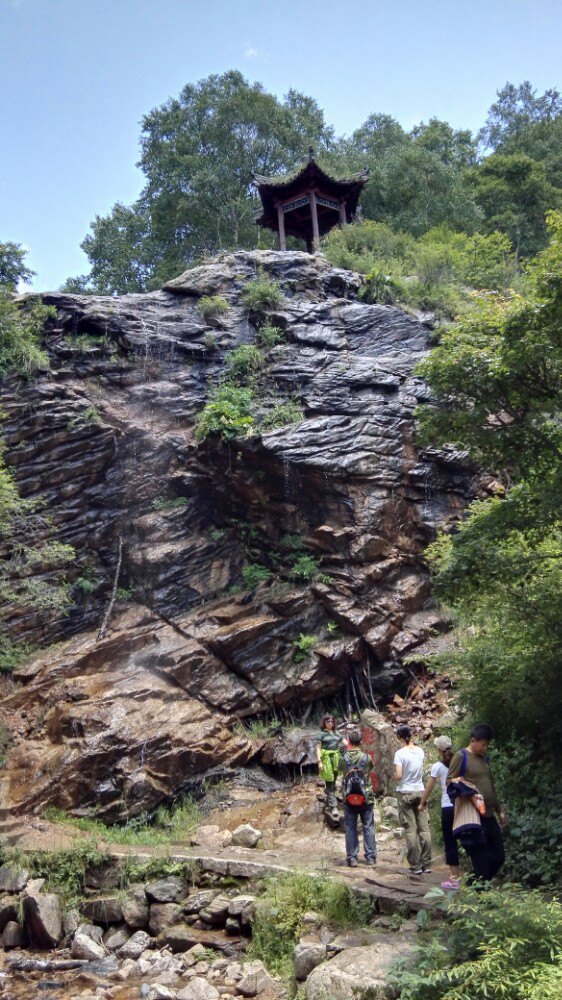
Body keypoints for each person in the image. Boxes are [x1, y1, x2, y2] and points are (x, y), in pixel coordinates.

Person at [446, 723, 507, 884]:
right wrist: (465, 788)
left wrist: (499, 811)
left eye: (487, 744)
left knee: (499, 856)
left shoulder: (484, 760)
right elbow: (449, 782)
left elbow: (491, 786)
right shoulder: (461, 756)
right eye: (483, 744)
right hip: (474, 817)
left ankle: (473, 883)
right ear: (473, 740)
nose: (486, 747)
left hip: (489, 815)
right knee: (481, 859)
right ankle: (483, 897)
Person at [419, 735, 461, 890]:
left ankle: (455, 878)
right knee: (467, 839)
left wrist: (422, 803)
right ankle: (477, 875)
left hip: (447, 807)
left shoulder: (437, 766)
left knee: (450, 841)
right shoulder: (459, 761)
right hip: (461, 805)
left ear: (439, 750)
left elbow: (429, 788)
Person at [393, 724, 432, 874]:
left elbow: (399, 776)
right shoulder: (420, 751)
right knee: (424, 829)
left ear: (399, 737)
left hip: (405, 793)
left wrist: (394, 776)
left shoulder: (399, 754)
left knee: (411, 829)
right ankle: (427, 864)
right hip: (420, 791)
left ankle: (415, 866)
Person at [339, 728, 377, 867]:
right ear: (361, 741)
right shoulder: (367, 758)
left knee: (350, 827)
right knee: (368, 826)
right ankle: (371, 857)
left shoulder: (343, 759)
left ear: (349, 741)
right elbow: (370, 769)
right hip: (366, 797)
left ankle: (352, 858)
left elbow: (340, 771)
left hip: (349, 798)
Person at [316, 713, 345, 818]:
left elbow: (346, 743)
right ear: (324, 723)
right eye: (328, 721)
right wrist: (319, 762)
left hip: (336, 759)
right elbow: (318, 748)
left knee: (334, 780)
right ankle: (334, 807)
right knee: (329, 783)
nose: (330, 723)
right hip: (327, 760)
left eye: (332, 721)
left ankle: (329, 798)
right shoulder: (321, 734)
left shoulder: (337, 733)